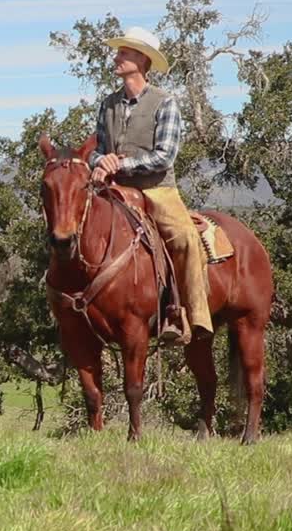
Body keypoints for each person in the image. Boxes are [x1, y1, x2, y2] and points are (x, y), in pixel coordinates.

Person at [88, 26, 212, 346]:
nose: (116, 58)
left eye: (124, 53)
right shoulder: (107, 104)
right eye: (119, 53)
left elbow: (165, 156)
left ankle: (189, 316)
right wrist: (99, 163)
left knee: (185, 237)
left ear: (142, 60)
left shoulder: (165, 103)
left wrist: (122, 163)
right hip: (115, 191)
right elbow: (96, 148)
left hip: (157, 189)